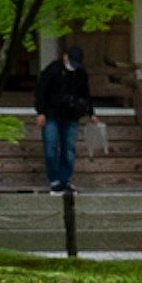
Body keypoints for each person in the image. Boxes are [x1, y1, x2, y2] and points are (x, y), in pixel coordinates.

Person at [32, 39, 96, 194]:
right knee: (51, 147)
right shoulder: (52, 70)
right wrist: (40, 112)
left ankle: (65, 179)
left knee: (68, 148)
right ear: (65, 57)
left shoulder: (81, 73)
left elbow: (85, 94)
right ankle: (54, 179)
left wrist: (91, 113)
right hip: (51, 114)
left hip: (71, 115)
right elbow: (41, 92)